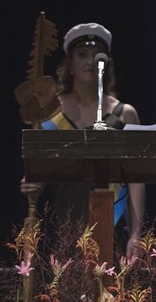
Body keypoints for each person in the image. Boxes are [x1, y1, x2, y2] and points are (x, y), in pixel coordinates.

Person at [19, 22, 145, 257]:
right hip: (64, 228)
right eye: (82, 54)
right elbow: (42, 171)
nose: (90, 61)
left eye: (97, 55)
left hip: (112, 227)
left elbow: (137, 178)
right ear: (70, 62)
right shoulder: (50, 113)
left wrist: (137, 233)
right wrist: (32, 183)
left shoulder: (125, 114)